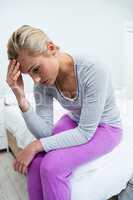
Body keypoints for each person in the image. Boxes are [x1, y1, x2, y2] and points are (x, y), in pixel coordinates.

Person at [6, 25, 123, 200]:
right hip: (74, 120)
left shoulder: (93, 69)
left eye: (36, 69)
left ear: (51, 48)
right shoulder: (42, 84)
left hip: (105, 127)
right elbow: (44, 133)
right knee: (36, 161)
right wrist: (21, 97)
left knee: (51, 166)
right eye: (29, 74)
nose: (36, 80)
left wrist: (35, 145)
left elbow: (85, 132)